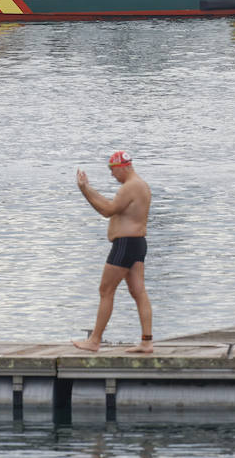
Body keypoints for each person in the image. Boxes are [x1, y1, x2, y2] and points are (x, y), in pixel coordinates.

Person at [73, 150, 153, 354]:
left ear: (124, 167)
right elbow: (110, 206)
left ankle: (94, 340)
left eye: (113, 170)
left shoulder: (130, 186)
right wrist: (87, 189)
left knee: (105, 290)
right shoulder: (141, 185)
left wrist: (84, 190)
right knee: (139, 292)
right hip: (138, 243)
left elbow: (107, 210)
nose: (111, 175)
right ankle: (146, 342)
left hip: (125, 245)